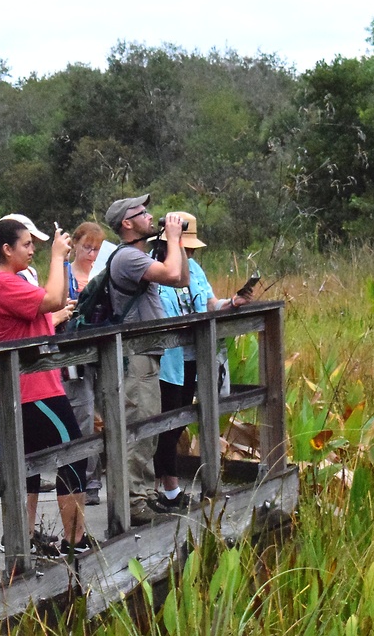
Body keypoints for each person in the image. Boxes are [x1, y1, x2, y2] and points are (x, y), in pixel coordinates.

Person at [0, 217, 96, 557]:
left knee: (29, 464)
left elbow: (53, 302)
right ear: (7, 249)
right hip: (33, 388)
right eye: (27, 244)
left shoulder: (10, 281)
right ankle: (74, 540)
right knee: (75, 454)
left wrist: (58, 312)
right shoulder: (2, 282)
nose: (33, 250)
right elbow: (50, 300)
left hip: (31, 386)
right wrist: (58, 258)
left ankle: (22, 536)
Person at [155, 212, 249, 510]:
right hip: (167, 359)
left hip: (195, 355)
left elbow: (208, 304)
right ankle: (167, 489)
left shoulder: (194, 269)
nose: (190, 253)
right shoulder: (154, 268)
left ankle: (168, 487)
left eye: (192, 249)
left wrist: (231, 303)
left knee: (182, 420)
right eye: (186, 247)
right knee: (166, 422)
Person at [104, 194, 188, 526]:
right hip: (134, 356)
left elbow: (180, 278)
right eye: (143, 213)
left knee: (149, 428)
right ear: (127, 223)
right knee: (138, 428)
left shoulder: (138, 256)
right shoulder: (127, 258)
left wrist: (174, 242)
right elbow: (170, 274)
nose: (151, 217)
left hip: (146, 354)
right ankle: (131, 502)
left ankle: (139, 495)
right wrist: (174, 239)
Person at [62, 221, 108, 503]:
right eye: (86, 247)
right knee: (83, 413)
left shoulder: (104, 274)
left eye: (96, 249)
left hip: (102, 349)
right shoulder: (64, 275)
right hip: (74, 354)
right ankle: (86, 477)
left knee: (110, 410)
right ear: (75, 245)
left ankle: (102, 473)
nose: (91, 254)